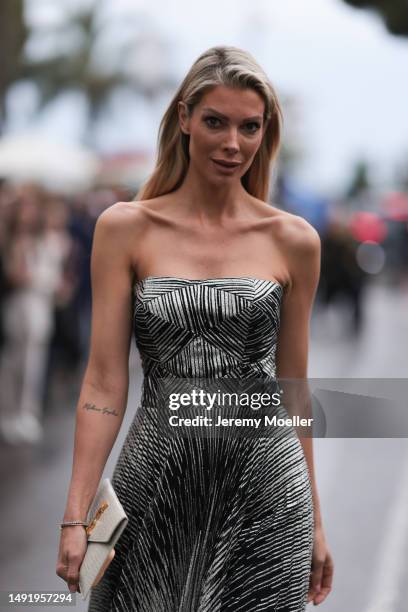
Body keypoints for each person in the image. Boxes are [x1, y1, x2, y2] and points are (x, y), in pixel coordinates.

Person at [56, 45, 334, 610]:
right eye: (215, 122)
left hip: (266, 486)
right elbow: (105, 382)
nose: (233, 144)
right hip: (154, 481)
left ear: (265, 133)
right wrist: (76, 512)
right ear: (184, 118)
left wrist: (317, 521)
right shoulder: (125, 229)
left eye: (249, 127)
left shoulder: (295, 240)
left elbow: (294, 390)